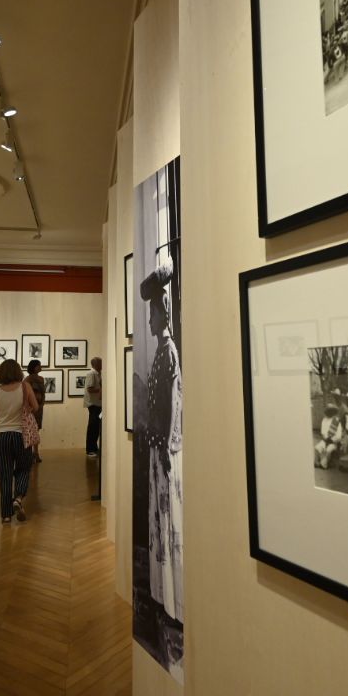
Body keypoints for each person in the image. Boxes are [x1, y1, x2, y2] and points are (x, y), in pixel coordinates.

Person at [141, 262, 183, 629]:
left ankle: (174, 600)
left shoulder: (168, 352)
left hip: (165, 450)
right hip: (158, 448)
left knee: (168, 519)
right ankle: (161, 594)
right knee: (158, 518)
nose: (150, 321)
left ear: (162, 315)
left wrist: (168, 446)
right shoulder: (160, 353)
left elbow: (174, 402)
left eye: (153, 314)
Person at [0, 359, 39, 524]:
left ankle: (6, 515)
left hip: (2, 437)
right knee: (24, 468)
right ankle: (18, 498)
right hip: (20, 435)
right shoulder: (25, 387)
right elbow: (35, 407)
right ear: (18, 371)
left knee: (4, 475)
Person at [24, 359, 47, 463]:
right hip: (31, 408)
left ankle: (36, 453)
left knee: (36, 430)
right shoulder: (27, 379)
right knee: (30, 430)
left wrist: (42, 404)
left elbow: (43, 394)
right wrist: (30, 407)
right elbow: (26, 395)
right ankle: (29, 454)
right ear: (34, 367)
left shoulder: (41, 379)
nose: (41, 367)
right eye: (39, 365)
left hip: (39, 407)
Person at [83, 356, 103, 457]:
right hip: (93, 404)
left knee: (96, 427)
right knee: (93, 427)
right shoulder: (91, 373)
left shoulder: (98, 374)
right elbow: (90, 389)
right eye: (101, 362)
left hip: (97, 404)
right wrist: (102, 389)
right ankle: (90, 449)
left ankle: (94, 448)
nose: (102, 364)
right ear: (96, 364)